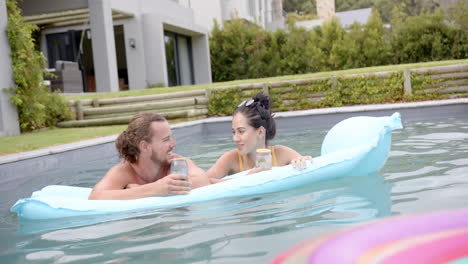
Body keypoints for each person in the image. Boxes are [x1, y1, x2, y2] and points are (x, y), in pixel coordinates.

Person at [89, 113, 210, 200]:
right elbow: (96, 197)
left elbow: (203, 180)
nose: (173, 144)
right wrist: (155, 189)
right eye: (166, 139)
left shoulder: (175, 162)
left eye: (171, 137)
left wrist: (140, 189)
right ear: (145, 146)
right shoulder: (125, 171)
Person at [206, 93, 312, 182]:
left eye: (241, 131)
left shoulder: (282, 154)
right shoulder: (231, 159)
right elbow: (203, 182)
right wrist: (247, 178)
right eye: (234, 132)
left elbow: (309, 168)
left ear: (260, 131)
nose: (235, 138)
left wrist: (303, 160)